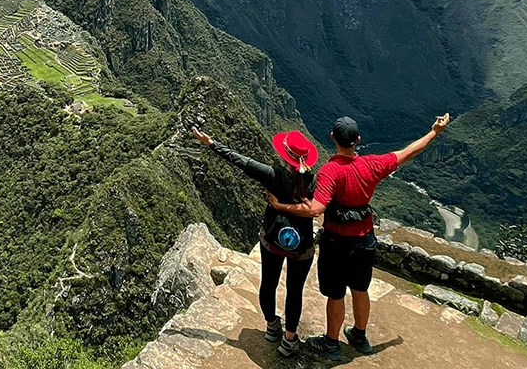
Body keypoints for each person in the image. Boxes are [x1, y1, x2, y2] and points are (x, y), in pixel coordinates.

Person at [270, 114, 451, 361]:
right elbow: (407, 153)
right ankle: (360, 334)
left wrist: (281, 207)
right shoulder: (372, 164)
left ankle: (331, 342)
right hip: (365, 240)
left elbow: (316, 209)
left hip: (337, 243)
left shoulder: (330, 172)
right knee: (360, 288)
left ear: (332, 137)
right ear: (357, 140)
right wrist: (434, 132)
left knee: (336, 294)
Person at [192, 126, 320, 357]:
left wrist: (211, 143)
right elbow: (319, 208)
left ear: (286, 155)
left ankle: (271, 326)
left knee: (268, 283)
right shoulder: (315, 181)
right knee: (295, 292)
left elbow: (242, 161)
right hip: (301, 247)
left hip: (272, 239)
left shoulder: (272, 174)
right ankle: (289, 340)